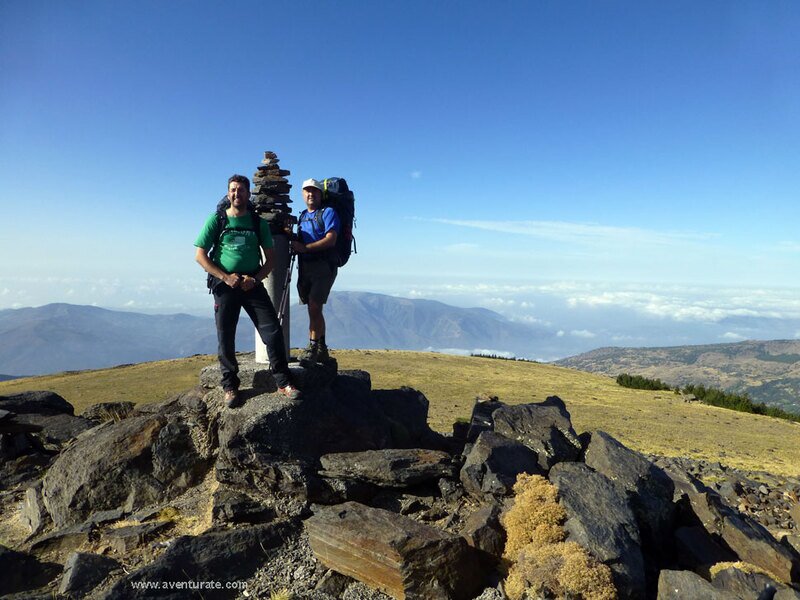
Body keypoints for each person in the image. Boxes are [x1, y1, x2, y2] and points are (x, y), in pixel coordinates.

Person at [195, 174, 300, 407]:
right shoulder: (218, 220)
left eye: (240, 190)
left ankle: (283, 382)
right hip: (224, 285)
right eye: (233, 190)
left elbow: (270, 260)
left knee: (272, 331)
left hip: (251, 284)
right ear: (228, 193)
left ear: (248, 193)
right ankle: (230, 387)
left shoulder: (257, 223)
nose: (236, 194)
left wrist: (255, 279)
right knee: (226, 336)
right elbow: (200, 255)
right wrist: (225, 277)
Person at [291, 178, 340, 363]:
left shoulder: (328, 213)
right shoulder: (303, 215)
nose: (310, 194)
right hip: (305, 266)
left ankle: (313, 346)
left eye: (314, 191)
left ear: (320, 194)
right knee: (313, 308)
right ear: (303, 194)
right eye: (307, 191)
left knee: (314, 306)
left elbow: (331, 239)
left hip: (323, 265)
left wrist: (305, 248)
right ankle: (322, 347)